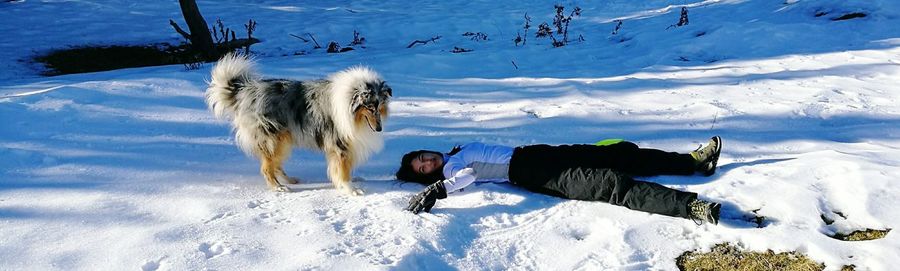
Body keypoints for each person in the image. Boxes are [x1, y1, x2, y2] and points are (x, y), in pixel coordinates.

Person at [395, 136, 724, 225]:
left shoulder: (457, 151)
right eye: (423, 169)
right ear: (430, 175)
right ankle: (691, 207)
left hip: (538, 153)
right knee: (611, 185)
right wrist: (439, 189)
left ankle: (693, 162)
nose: (426, 162)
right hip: (534, 174)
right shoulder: (453, 172)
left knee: (620, 154)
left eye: (422, 157)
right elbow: (468, 177)